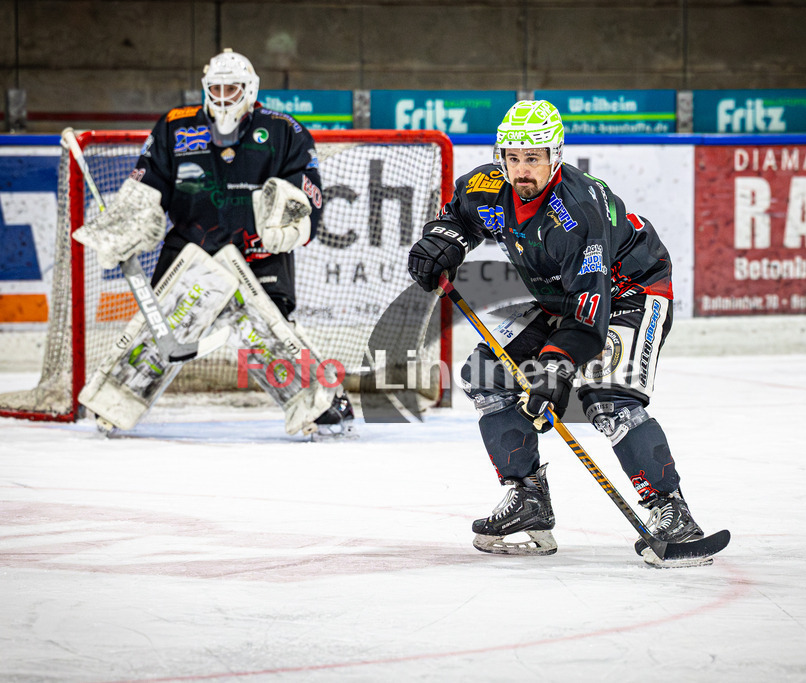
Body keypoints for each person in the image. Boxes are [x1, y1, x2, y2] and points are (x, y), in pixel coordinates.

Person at [407, 99, 705, 563]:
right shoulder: (487, 184)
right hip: (560, 297)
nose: (521, 170)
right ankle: (527, 499)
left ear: (555, 156)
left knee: (608, 396)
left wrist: (555, 366)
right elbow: (459, 217)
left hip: (628, 291)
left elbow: (590, 315)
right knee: (487, 376)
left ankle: (672, 512)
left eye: (533, 158)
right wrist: (444, 242)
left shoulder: (578, 211)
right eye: (513, 157)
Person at [72, 49, 353, 436]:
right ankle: (116, 402)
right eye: (216, 87)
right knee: (161, 333)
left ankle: (323, 404)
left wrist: (294, 221)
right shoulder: (175, 125)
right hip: (191, 246)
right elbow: (147, 181)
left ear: (250, 89)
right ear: (205, 88)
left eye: (232, 87)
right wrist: (130, 220)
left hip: (258, 253)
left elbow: (307, 189)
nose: (223, 95)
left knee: (270, 331)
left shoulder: (283, 129)